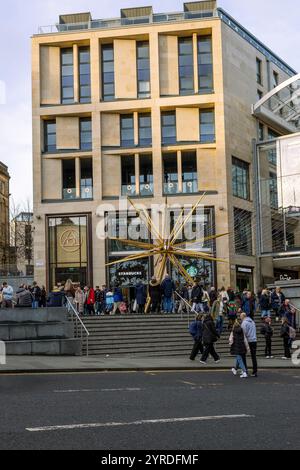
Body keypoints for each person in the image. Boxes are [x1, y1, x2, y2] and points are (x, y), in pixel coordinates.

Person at [240, 312, 258, 377]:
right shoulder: (252, 322)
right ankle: (255, 372)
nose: (240, 318)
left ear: (243, 317)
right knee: (253, 357)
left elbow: (243, 333)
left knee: (243, 355)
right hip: (254, 340)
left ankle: (245, 371)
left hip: (248, 341)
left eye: (240, 317)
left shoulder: (244, 323)